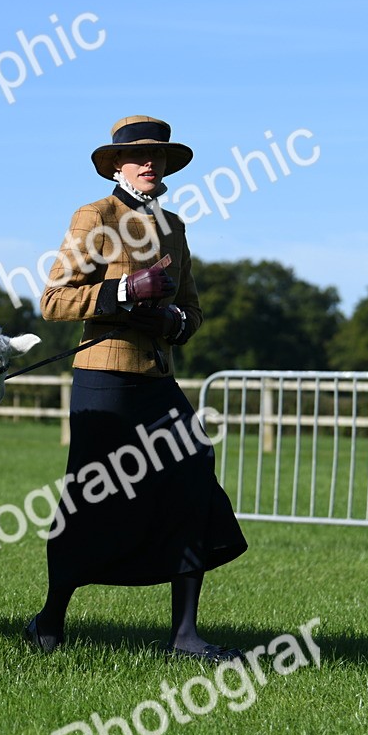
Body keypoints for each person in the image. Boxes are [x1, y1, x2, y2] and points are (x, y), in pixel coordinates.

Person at [26, 115, 247, 661]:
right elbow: (53, 300)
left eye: (159, 155)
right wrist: (123, 289)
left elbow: (193, 313)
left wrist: (171, 322)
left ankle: (185, 635)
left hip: (157, 377)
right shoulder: (95, 216)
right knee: (92, 498)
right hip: (104, 378)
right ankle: (50, 619)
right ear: (117, 165)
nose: (151, 163)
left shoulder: (174, 225)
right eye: (139, 155)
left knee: (194, 479)